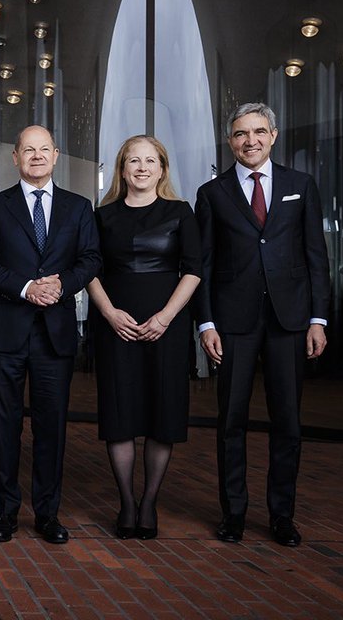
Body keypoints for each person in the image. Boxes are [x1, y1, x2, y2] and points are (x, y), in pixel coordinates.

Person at [194, 102, 328, 547]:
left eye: (257, 132)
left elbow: (315, 259)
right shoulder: (211, 194)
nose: (249, 141)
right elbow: (204, 266)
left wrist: (317, 318)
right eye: (239, 134)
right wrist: (206, 323)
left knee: (287, 421)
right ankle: (233, 513)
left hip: (289, 321)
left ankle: (281, 516)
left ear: (273, 134)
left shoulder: (300, 185)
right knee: (230, 420)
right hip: (232, 322)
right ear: (229, 141)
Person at [0, 125, 100, 544]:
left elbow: (91, 257)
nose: (37, 156)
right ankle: (5, 513)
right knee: (6, 425)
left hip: (55, 334)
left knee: (52, 427)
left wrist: (62, 284)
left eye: (44, 149)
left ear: (56, 154)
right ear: (16, 157)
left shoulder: (79, 207)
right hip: (5, 332)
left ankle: (47, 514)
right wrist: (26, 287)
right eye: (29, 150)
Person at [85, 135, 201, 541]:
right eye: (133, 160)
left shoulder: (181, 212)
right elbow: (90, 271)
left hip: (164, 327)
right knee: (120, 416)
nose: (141, 167)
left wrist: (166, 317)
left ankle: (149, 501)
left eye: (150, 161)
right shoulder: (102, 216)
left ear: (162, 168)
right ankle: (127, 503)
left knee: (160, 415)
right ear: (122, 169)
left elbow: (193, 270)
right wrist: (109, 313)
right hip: (116, 326)